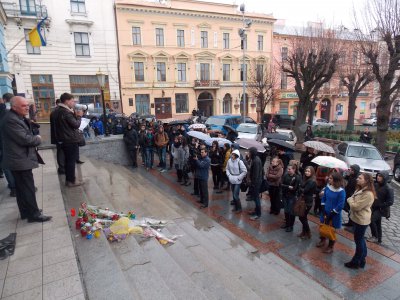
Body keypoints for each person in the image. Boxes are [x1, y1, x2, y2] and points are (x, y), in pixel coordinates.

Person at [1, 96, 52, 222]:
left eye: (27, 105)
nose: (27, 108)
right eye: (24, 106)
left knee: (22, 187)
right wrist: (38, 139)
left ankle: (26, 211)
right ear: (14, 107)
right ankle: (33, 214)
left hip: (18, 159)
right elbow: (25, 139)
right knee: (27, 187)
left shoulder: (16, 117)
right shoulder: (11, 120)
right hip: (19, 160)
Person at [345, 173, 375, 269]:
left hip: (361, 220)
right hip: (356, 218)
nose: (357, 179)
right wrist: (352, 200)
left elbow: (356, 206)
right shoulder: (360, 188)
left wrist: (350, 200)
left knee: (359, 240)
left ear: (366, 180)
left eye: (360, 178)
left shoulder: (369, 194)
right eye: (358, 177)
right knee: (360, 239)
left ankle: (356, 262)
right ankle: (362, 259)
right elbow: (354, 199)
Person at [54, 93, 84, 187]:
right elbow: (76, 125)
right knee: (71, 161)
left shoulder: (57, 110)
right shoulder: (65, 112)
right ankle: (71, 181)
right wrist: (79, 116)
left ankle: (69, 180)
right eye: (72, 101)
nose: (73, 103)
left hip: (63, 139)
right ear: (66, 101)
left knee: (67, 160)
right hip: (70, 140)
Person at [316, 172, 346, 254]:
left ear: (336, 180)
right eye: (329, 178)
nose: (329, 179)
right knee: (323, 226)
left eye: (331, 178)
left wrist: (332, 213)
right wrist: (323, 208)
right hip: (325, 211)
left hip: (334, 214)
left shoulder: (341, 191)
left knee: (331, 230)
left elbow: (341, 204)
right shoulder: (328, 187)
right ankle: (322, 240)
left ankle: (330, 246)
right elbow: (324, 198)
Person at [368, 171, 394, 244]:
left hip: (381, 209)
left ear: (384, 178)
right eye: (378, 176)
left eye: (380, 176)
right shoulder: (376, 185)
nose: (378, 177)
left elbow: (390, 202)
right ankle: (379, 238)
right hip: (374, 207)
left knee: (371, 220)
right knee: (377, 223)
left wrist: (380, 205)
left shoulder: (389, 188)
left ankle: (375, 236)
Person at [0, 93, 16, 197]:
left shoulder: (5, 110)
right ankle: (14, 187)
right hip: (4, 142)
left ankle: (13, 185)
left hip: (3, 141)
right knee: (7, 164)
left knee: (6, 164)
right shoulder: (5, 111)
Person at [281, 163, 301, 232]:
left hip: (292, 197)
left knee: (291, 212)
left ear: (294, 169)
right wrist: (288, 187)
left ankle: (291, 226)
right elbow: (281, 184)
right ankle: (286, 223)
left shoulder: (297, 177)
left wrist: (286, 186)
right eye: (287, 169)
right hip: (285, 195)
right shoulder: (286, 175)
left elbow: (295, 188)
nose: (288, 170)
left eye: (289, 169)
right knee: (286, 211)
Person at [298, 166, 317, 239]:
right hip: (304, 200)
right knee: (303, 217)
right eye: (306, 171)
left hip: (307, 202)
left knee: (302, 217)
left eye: (309, 171)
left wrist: (300, 187)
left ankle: (308, 232)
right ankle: (304, 232)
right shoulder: (306, 179)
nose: (307, 172)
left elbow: (304, 190)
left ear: (312, 172)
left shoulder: (311, 181)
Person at [50, 99, 65, 175]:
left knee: (60, 152)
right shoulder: (58, 112)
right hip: (60, 136)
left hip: (58, 136)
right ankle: (62, 168)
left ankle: (62, 167)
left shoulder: (54, 112)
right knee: (61, 152)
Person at [247, 147, 263, 220]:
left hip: (256, 183)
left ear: (252, 153)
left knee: (256, 198)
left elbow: (255, 174)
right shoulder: (255, 159)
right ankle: (256, 211)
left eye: (249, 152)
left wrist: (252, 183)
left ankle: (258, 214)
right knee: (255, 198)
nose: (248, 153)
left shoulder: (256, 161)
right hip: (256, 182)